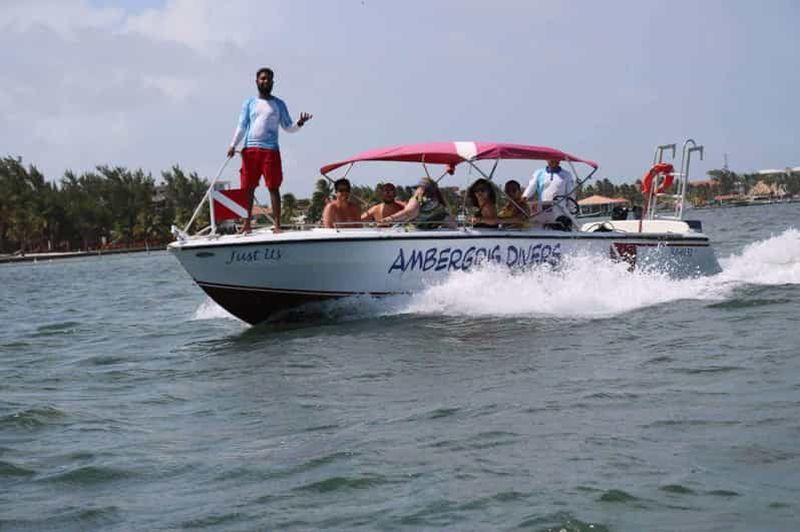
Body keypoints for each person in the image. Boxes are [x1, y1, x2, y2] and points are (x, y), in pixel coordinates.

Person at [227, 67, 312, 233]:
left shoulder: (279, 104)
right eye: (262, 78)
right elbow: (242, 126)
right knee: (248, 188)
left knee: (273, 187)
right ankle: (246, 224)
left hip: (271, 150)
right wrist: (233, 145)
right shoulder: (249, 103)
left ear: (273, 82)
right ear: (257, 81)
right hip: (250, 149)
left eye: (268, 79)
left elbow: (288, 127)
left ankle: (278, 225)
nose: (265, 81)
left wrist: (299, 123)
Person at [522, 158, 577, 228]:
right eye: (551, 158)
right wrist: (524, 197)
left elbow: (571, 194)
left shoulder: (567, 174)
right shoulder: (539, 173)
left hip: (561, 211)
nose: (554, 160)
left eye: (556, 158)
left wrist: (571, 211)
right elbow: (531, 187)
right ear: (547, 159)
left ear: (559, 160)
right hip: (542, 210)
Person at [381, 177, 451, 229]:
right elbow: (450, 223)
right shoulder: (439, 205)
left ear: (421, 189)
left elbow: (408, 212)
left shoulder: (417, 199)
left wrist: (389, 219)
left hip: (412, 234)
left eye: (416, 188)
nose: (414, 191)